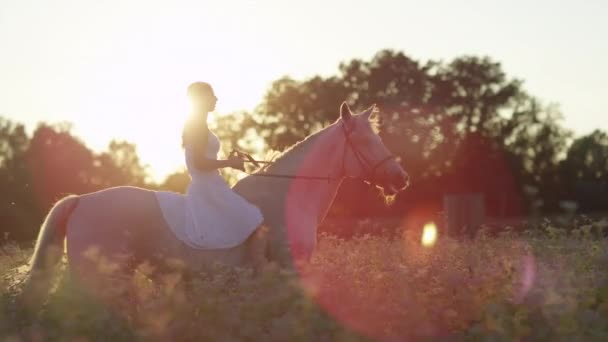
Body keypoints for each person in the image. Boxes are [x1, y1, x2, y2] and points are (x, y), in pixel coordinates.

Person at [163, 81, 266, 267]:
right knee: (253, 219)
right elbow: (198, 163)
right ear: (202, 99)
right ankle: (253, 270)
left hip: (212, 184)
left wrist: (230, 161)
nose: (216, 99)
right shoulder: (197, 125)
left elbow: (203, 160)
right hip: (207, 187)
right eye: (212, 95)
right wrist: (229, 163)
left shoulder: (198, 124)